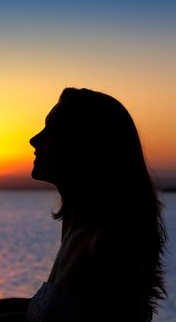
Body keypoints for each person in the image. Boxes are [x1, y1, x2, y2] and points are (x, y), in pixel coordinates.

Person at [26, 88, 167, 322]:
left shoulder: (112, 241)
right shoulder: (75, 225)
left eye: (51, 130)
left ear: (84, 145)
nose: (34, 139)